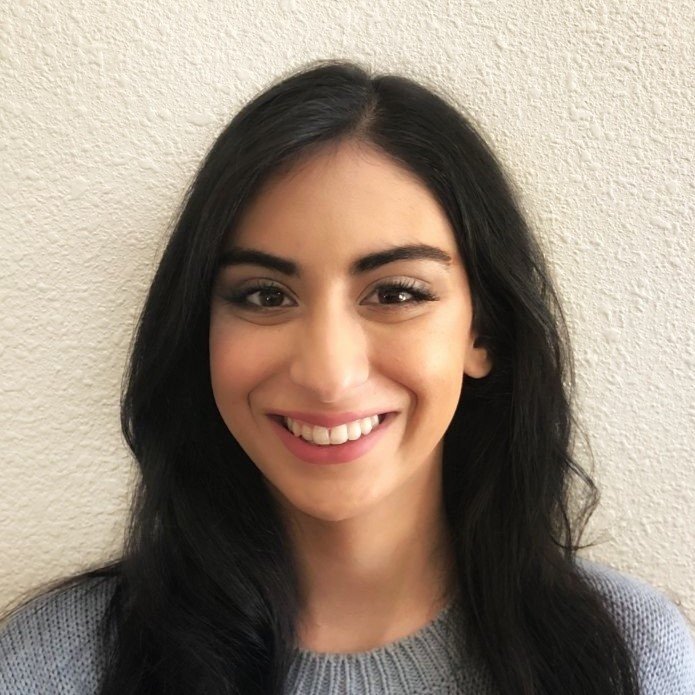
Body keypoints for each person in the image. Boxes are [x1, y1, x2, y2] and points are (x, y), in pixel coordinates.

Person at [1, 59, 693, 695]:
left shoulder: (631, 658)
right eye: (265, 295)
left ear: (482, 332)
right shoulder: (49, 668)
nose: (328, 375)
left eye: (395, 293)